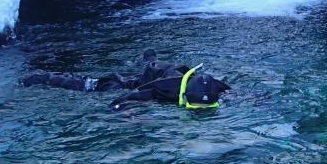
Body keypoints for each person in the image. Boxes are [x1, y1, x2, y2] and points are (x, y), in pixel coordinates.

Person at [21, 49, 230, 110]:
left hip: (171, 70)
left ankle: (150, 57)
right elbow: (120, 100)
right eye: (196, 108)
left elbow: (240, 94)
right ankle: (40, 77)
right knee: (96, 85)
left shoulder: (213, 87)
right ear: (184, 98)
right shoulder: (164, 92)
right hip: (152, 76)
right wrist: (128, 114)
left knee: (153, 64)